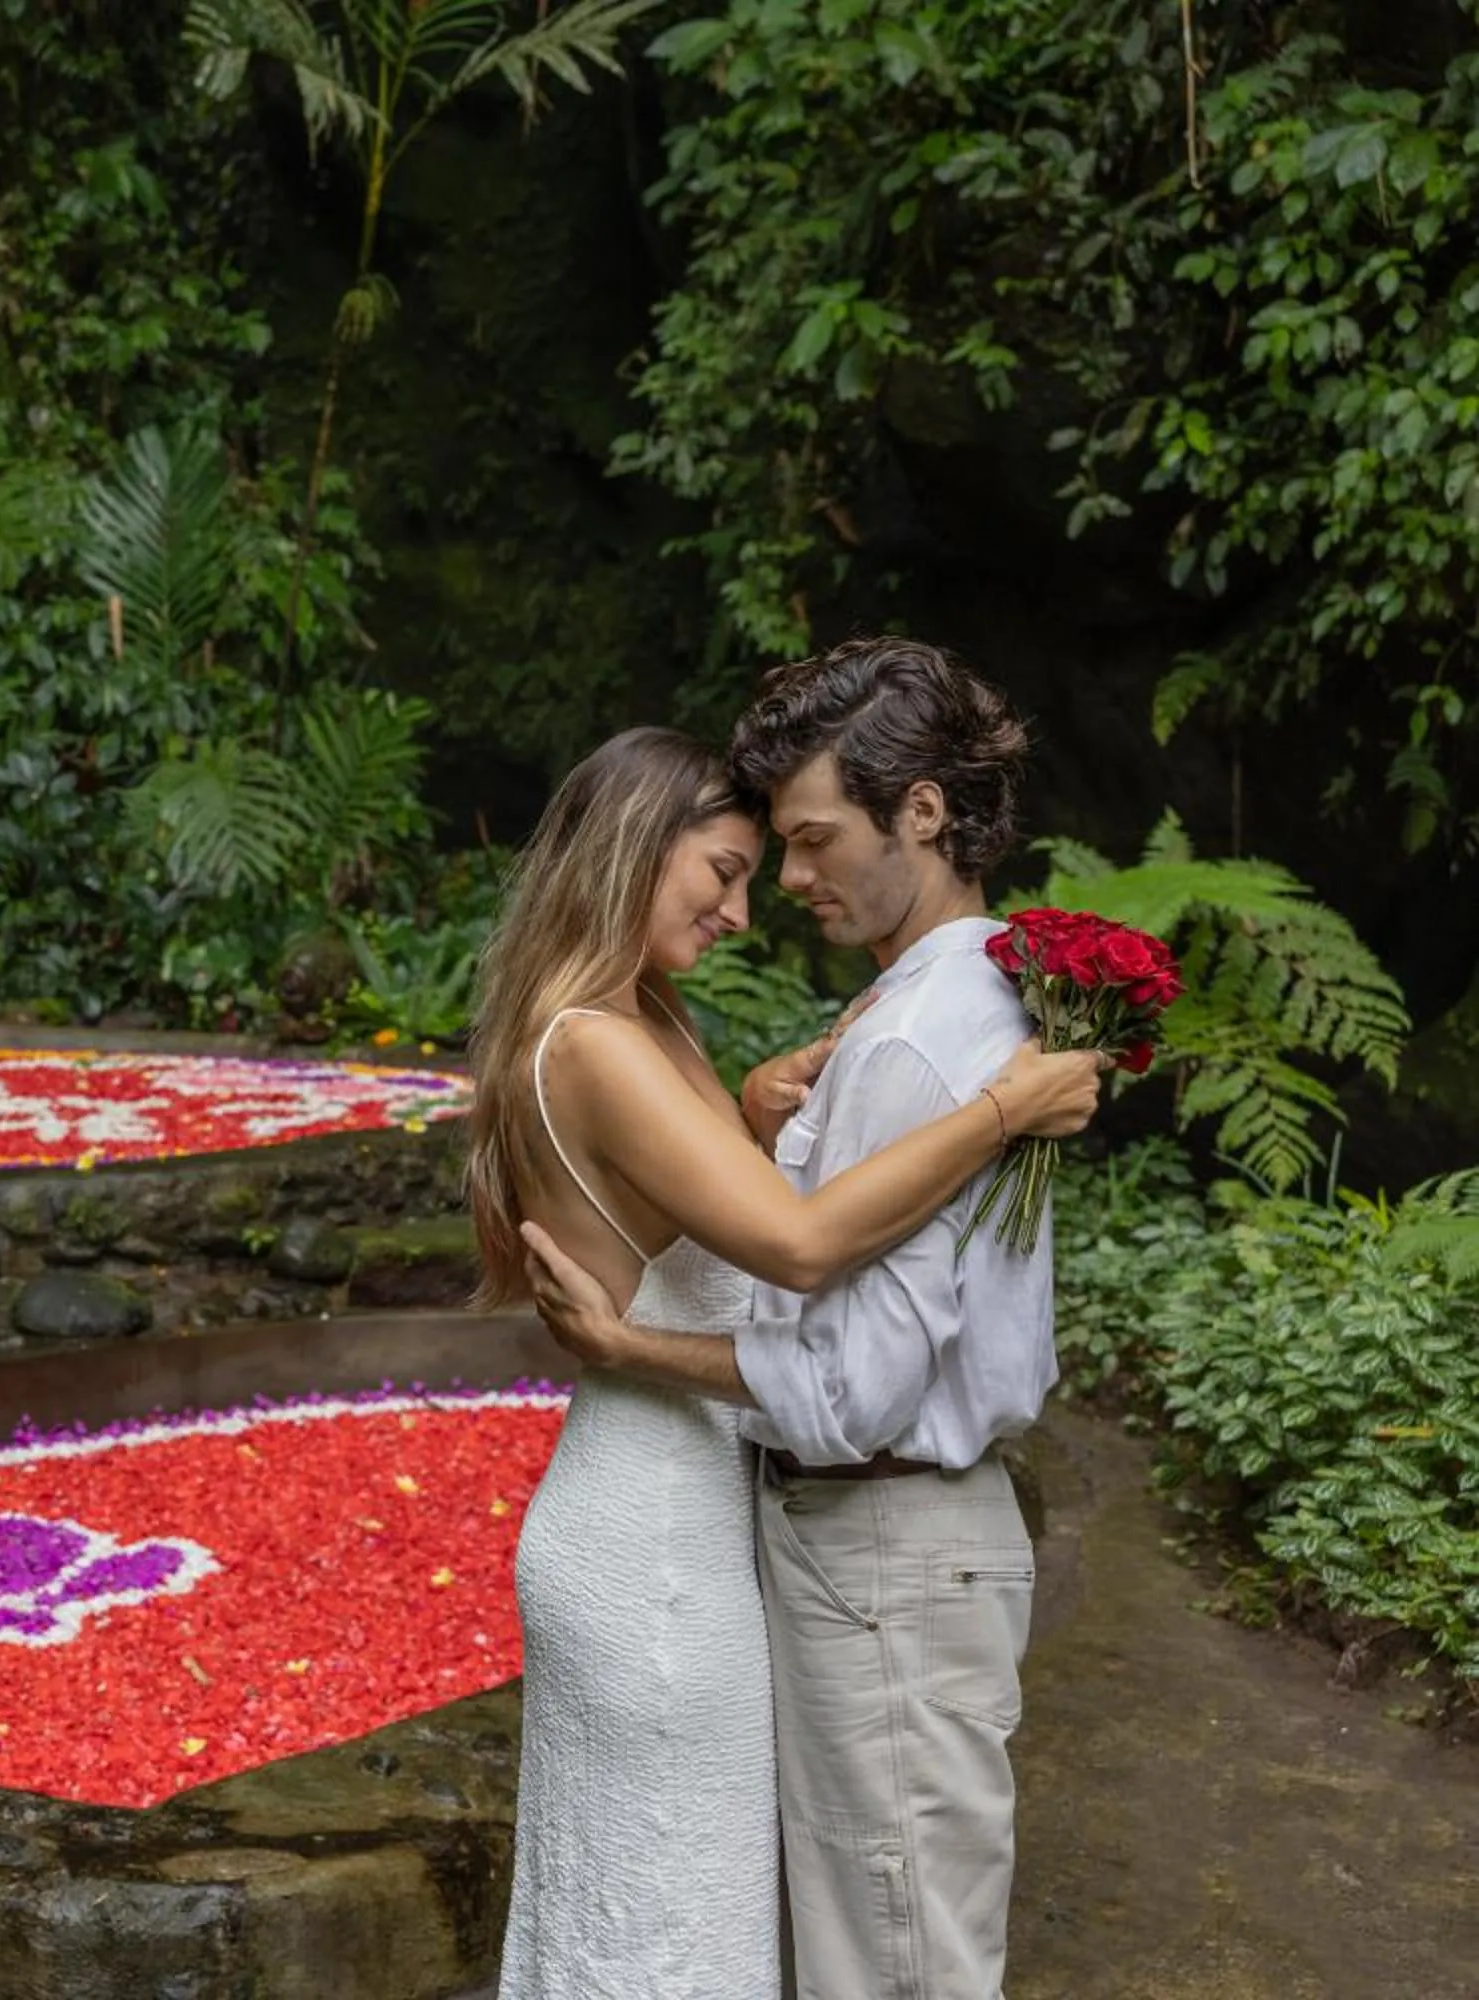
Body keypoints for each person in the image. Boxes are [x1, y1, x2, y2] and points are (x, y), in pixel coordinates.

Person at [467, 721, 1104, 2000]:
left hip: (691, 1512)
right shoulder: (590, 1038)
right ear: (634, 849)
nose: (745, 908)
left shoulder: (645, 1017)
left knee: (694, 1911)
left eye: (763, 870)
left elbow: (718, 1227)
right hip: (653, 1541)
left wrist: (756, 1118)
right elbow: (801, 1248)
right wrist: (1003, 1109)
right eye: (724, 868)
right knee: (667, 1924)